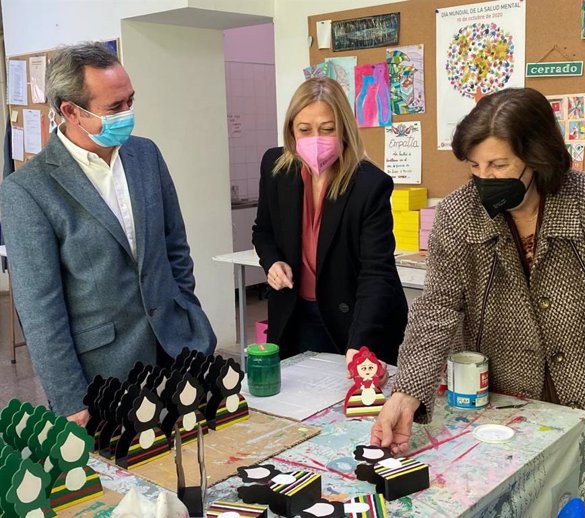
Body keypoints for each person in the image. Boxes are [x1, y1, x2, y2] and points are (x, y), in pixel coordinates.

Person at [370, 88, 585, 517]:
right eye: (475, 166)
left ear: (537, 156)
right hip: (503, 406)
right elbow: (436, 308)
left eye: (499, 164)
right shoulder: (459, 214)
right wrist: (406, 393)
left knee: (582, 505)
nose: (485, 178)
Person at [0, 43, 216, 424]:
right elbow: (39, 310)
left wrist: (188, 313)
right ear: (70, 111)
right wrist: (69, 399)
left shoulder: (145, 155)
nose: (128, 114)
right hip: (104, 376)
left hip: (177, 350)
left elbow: (175, 247)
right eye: (115, 108)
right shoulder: (28, 191)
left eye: (130, 101)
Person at [252, 77, 407, 368]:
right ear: (291, 131)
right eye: (304, 130)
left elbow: (377, 273)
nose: (315, 139)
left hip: (354, 320)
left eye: (327, 129)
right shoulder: (275, 168)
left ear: (344, 130)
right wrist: (272, 263)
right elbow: (264, 231)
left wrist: (361, 343)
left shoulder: (369, 185)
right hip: (294, 314)